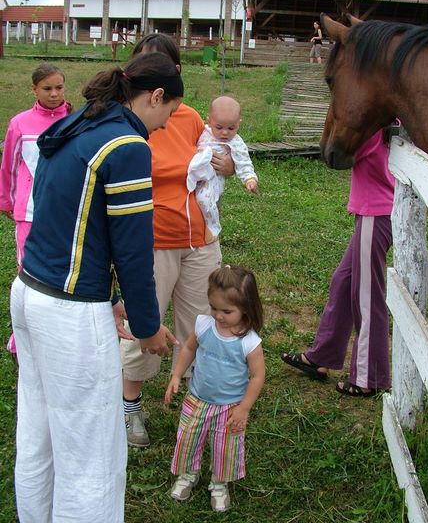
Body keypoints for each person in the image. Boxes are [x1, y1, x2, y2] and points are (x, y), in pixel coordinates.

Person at [10, 51, 182, 522]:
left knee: (39, 431)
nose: (166, 125)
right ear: (156, 96)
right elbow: (133, 251)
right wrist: (147, 326)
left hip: (31, 290)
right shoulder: (128, 146)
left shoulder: (79, 124)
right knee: (92, 454)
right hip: (69, 311)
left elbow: (68, 219)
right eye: (169, 112)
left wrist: (111, 298)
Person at [120, 34, 235, 448]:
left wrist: (227, 166)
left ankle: (196, 401)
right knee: (142, 323)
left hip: (199, 239)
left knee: (202, 323)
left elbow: (217, 158)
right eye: (141, 65)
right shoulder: (126, 120)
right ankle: (129, 407)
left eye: (159, 66)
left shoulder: (187, 118)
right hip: (151, 240)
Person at [281, 129, 394, 396]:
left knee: (366, 295)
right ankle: (322, 356)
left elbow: (337, 153)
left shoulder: (373, 129)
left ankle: (369, 378)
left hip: (376, 212)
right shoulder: (385, 124)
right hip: (375, 211)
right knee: (343, 281)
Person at [165, 265, 265, 513]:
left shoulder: (249, 341)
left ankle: (219, 483)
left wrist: (244, 408)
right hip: (197, 398)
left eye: (227, 311)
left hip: (230, 406)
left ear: (246, 307)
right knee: (188, 438)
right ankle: (188, 473)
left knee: (225, 445)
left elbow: (257, 376)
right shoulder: (204, 325)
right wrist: (176, 374)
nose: (218, 316)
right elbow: (189, 348)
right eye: (213, 308)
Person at [0, 63, 72, 360]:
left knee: (62, 271)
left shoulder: (75, 121)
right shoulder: (20, 123)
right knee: (28, 274)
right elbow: (9, 165)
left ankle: (56, 333)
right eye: (47, 89)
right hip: (29, 213)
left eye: (59, 88)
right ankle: (21, 339)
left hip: (65, 212)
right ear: (34, 89)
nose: (54, 94)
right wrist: (7, 201)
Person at [187, 95, 259, 243]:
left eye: (231, 128)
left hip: (213, 179)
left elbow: (244, 161)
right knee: (192, 198)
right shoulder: (204, 131)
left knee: (204, 199)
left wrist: (250, 179)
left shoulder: (236, 142)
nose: (225, 133)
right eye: (219, 127)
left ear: (239, 124)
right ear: (209, 121)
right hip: (196, 173)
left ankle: (212, 228)